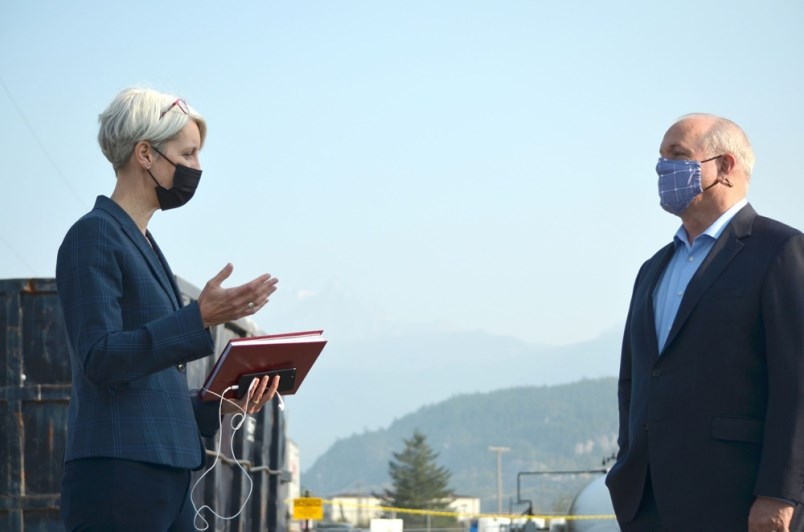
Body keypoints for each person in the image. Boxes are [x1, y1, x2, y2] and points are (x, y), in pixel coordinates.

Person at [56, 87, 281, 531]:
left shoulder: (143, 243)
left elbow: (147, 386)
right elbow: (100, 357)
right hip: (118, 477)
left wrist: (219, 403)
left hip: (165, 476)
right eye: (188, 153)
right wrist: (197, 318)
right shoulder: (93, 236)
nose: (197, 167)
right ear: (145, 154)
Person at [605, 113, 804, 531]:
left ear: (726, 167)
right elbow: (635, 381)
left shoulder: (780, 251)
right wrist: (627, 467)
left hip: (737, 499)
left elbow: (797, 382)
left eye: (677, 155)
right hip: (649, 501)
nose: (663, 169)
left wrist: (780, 493)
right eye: (660, 158)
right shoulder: (653, 269)